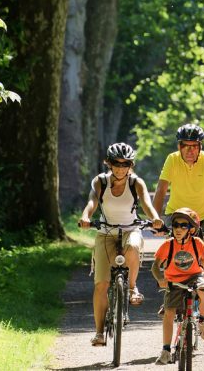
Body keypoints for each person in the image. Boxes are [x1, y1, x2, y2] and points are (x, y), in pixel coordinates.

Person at [78, 142, 164, 347]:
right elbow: (92, 203)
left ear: (131, 165)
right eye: (116, 163)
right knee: (101, 284)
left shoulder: (136, 183)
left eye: (125, 164)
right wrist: (85, 217)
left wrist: (156, 219)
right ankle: (99, 333)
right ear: (108, 163)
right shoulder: (100, 182)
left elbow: (146, 204)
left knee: (133, 247)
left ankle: (132, 287)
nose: (120, 167)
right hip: (105, 232)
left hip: (130, 229)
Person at [152, 123, 204, 327]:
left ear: (200, 146)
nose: (190, 150)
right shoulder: (172, 160)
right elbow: (161, 190)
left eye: (194, 146)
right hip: (177, 213)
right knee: (171, 251)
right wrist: (156, 220)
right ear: (179, 146)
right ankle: (169, 296)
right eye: (185, 145)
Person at [151, 208, 204, 364]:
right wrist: (160, 278)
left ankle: (203, 320)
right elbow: (155, 266)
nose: (178, 229)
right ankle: (165, 350)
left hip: (194, 277)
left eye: (183, 226)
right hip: (173, 281)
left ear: (191, 229)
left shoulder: (197, 243)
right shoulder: (168, 245)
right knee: (169, 313)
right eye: (176, 225)